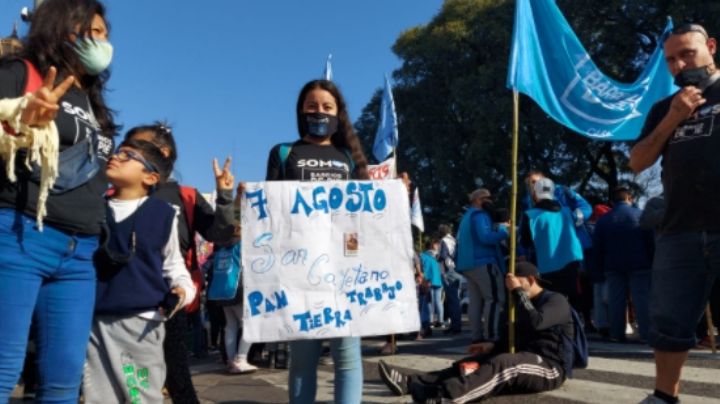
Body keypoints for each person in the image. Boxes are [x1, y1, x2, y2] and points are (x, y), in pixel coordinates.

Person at [0, 1, 117, 401]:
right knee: (3, 368)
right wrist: (20, 121)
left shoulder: (95, 104)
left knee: (64, 379)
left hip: (79, 252)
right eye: (91, 31)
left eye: (104, 34)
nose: (101, 42)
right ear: (59, 29)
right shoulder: (21, 73)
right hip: (19, 236)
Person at [629, 23, 720, 404]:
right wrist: (672, 119)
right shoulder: (664, 107)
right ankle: (665, 396)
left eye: (688, 53)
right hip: (678, 228)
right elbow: (637, 161)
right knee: (668, 321)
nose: (680, 64)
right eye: (670, 59)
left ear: (711, 47)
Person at [265, 79, 369, 403]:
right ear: (300, 111)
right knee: (302, 359)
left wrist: (394, 195)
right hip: (299, 268)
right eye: (312, 106)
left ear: (339, 114)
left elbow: (364, 214)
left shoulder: (349, 157)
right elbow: (270, 210)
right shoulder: (284, 153)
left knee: (348, 357)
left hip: (344, 267)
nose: (319, 112)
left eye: (327, 107)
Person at [124, 122, 238, 403]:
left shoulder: (185, 195)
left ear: (162, 153)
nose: (127, 153)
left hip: (170, 300)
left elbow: (219, 233)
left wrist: (224, 197)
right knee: (131, 378)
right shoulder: (120, 190)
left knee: (176, 373)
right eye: (125, 148)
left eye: (137, 147)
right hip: (123, 298)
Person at [83, 139, 197, 403]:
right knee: (98, 396)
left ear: (150, 176)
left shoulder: (164, 214)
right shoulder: (91, 208)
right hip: (94, 321)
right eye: (117, 151)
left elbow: (174, 266)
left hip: (143, 323)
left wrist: (181, 292)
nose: (116, 156)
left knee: (139, 395)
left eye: (128, 155)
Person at [377, 261, 572, 403]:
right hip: (524, 359)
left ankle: (447, 397)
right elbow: (516, 339)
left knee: (504, 363)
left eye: (515, 282)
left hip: (549, 367)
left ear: (530, 280)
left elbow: (537, 322)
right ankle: (411, 383)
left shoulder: (556, 300)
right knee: (470, 364)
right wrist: (492, 345)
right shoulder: (517, 303)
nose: (510, 287)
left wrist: (518, 292)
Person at [592, 186, 654, 342]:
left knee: (616, 300)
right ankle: (646, 334)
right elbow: (651, 242)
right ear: (630, 198)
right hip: (640, 263)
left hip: (612, 265)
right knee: (642, 299)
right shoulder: (641, 216)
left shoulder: (603, 221)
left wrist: (597, 269)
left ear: (611, 202)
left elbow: (597, 247)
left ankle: (617, 333)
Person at [520, 178, 584, 311]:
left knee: (550, 302)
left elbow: (525, 242)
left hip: (546, 266)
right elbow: (585, 208)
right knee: (573, 301)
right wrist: (572, 194)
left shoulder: (530, 215)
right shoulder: (568, 212)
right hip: (572, 262)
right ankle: (574, 328)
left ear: (535, 194)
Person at [455, 188, 508, 346]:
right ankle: (492, 336)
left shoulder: (467, 216)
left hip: (468, 264)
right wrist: (506, 232)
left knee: (476, 302)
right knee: (495, 299)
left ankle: (477, 336)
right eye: (488, 198)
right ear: (478, 200)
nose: (491, 202)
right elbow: (485, 237)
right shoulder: (480, 215)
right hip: (483, 262)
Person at [438, 223, 462, 334]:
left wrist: (437, 258)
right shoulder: (454, 240)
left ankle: (455, 326)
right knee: (455, 299)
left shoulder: (443, 241)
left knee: (452, 300)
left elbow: (443, 256)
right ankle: (456, 324)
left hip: (448, 271)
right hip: (456, 269)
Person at [419, 237, 443, 337]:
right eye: (437, 244)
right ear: (433, 245)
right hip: (437, 280)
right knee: (437, 301)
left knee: (428, 303)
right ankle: (440, 320)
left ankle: (429, 321)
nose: (439, 246)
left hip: (428, 281)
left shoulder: (423, 256)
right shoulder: (436, 256)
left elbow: (422, 268)